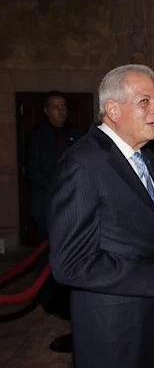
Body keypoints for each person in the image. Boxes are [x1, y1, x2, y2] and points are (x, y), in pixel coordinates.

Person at [47, 64, 154, 368]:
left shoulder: (144, 157)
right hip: (117, 337)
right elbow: (70, 264)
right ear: (112, 110)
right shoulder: (83, 165)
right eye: (145, 102)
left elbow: (150, 226)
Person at [27, 91, 81, 353]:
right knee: (50, 259)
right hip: (51, 210)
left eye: (63, 107)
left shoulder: (75, 135)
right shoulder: (38, 138)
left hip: (74, 210)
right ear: (46, 111)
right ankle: (51, 301)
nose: (60, 112)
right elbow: (41, 177)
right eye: (55, 107)